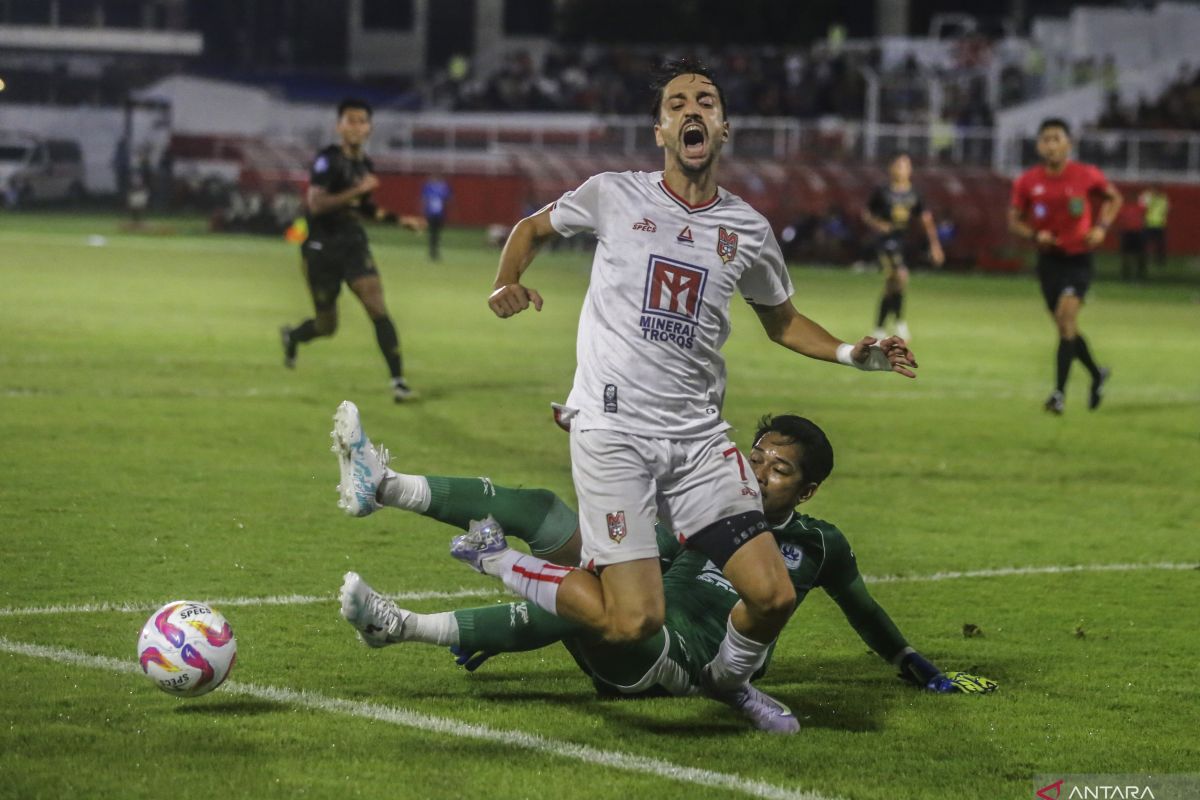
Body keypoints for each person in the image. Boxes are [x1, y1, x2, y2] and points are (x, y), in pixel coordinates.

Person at [471, 59, 918, 733]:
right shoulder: (613, 194)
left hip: (700, 442)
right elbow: (532, 228)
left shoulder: (747, 229)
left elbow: (783, 320)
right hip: (614, 430)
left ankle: (727, 683)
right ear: (660, 129)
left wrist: (856, 353)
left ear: (724, 126)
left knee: (772, 595)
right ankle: (504, 563)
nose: (691, 110)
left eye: (705, 101)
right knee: (634, 620)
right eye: (677, 102)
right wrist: (507, 281)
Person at [332, 403, 997, 714]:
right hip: (636, 618)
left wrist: (915, 666)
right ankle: (383, 486)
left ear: (809, 489)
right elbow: (631, 550)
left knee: (596, 601)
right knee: (544, 512)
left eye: (781, 470)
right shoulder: (703, 508)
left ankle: (401, 626)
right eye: (757, 457)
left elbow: (865, 612)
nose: (762, 473)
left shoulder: (820, 545)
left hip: (670, 660)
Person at [279, 98, 422, 403]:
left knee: (377, 307)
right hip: (320, 248)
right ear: (339, 126)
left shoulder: (364, 165)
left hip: (352, 244)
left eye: (362, 121)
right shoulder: (327, 161)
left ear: (369, 128)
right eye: (350, 120)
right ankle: (292, 336)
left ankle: (398, 381)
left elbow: (364, 208)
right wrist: (358, 190)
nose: (356, 126)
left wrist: (400, 220)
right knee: (326, 326)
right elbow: (316, 204)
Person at [1008, 117, 1121, 415]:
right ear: (1038, 145)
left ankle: (1058, 394)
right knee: (1065, 325)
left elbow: (1113, 198)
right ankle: (1096, 373)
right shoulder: (1028, 181)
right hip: (1049, 262)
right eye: (1045, 139)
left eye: (1057, 138)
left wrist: (1101, 227)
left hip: (1078, 258)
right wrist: (1034, 234)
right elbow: (1014, 220)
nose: (1051, 144)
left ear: (1069, 144)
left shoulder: (1086, 174)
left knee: (1066, 316)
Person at [861, 152, 945, 342]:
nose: (903, 169)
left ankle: (880, 328)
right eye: (899, 165)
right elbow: (866, 213)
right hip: (885, 241)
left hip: (902, 241)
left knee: (893, 285)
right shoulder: (882, 190)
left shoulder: (914, 193)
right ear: (891, 168)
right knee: (900, 276)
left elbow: (925, 219)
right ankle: (899, 324)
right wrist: (877, 224)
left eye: (907, 165)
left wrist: (935, 245)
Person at [421, 174, 452, 261]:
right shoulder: (429, 187)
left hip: (439, 214)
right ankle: (432, 252)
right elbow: (424, 199)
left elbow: (447, 200)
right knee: (432, 234)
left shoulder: (442, 187)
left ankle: (435, 252)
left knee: (436, 234)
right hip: (431, 214)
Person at [1138, 185, 1169, 268]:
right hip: (1148, 223)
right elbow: (1141, 205)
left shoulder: (1162, 198)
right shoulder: (1147, 196)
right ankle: (1145, 260)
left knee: (1160, 245)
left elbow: (1166, 209)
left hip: (1159, 224)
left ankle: (1160, 262)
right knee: (1144, 245)